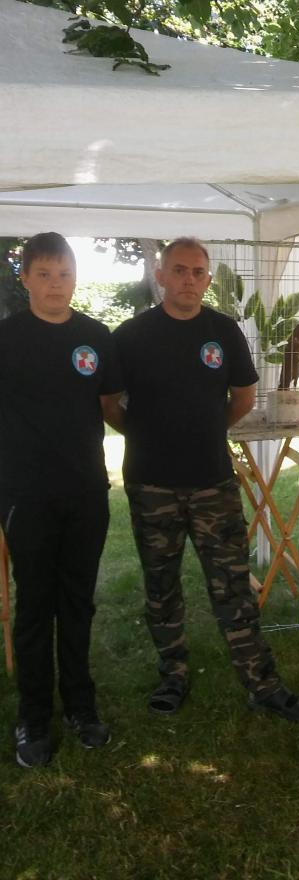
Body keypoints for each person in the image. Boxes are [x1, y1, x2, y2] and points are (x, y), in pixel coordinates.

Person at [110, 238, 299, 721]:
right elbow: (109, 403)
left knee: (233, 588)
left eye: (198, 272)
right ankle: (173, 675)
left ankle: (262, 684)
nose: (189, 279)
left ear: (207, 279)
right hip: (151, 484)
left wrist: (206, 431)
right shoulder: (131, 335)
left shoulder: (222, 331)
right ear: (160, 275)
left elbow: (243, 396)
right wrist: (146, 435)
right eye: (179, 270)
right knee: (161, 587)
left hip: (212, 483)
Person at [0, 233, 123, 768]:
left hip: (85, 492)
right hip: (24, 495)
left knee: (77, 602)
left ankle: (80, 705)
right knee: (34, 605)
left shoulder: (95, 337)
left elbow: (110, 406)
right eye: (45, 274)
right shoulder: (7, 338)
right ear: (25, 277)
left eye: (65, 274)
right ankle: (33, 717)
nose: (56, 285)